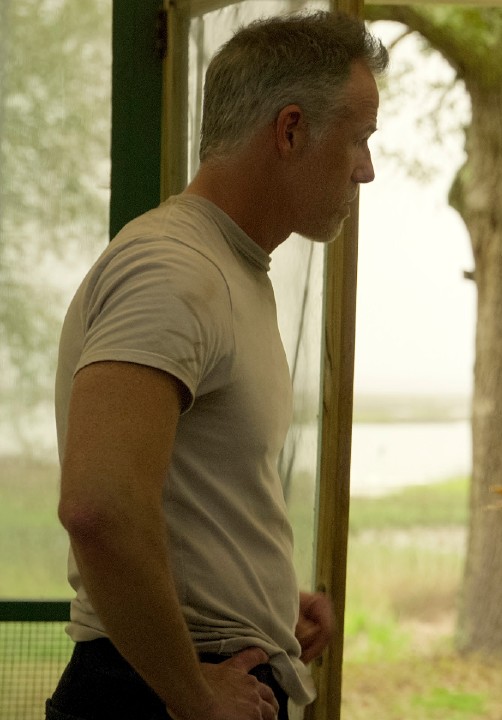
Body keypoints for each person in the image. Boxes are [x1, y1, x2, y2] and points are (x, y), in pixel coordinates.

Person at [47, 11, 387, 720]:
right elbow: (98, 508)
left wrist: (254, 594)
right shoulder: (172, 270)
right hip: (151, 696)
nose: (367, 170)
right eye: (359, 139)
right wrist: (193, 692)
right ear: (290, 130)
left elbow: (178, 500)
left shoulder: (228, 268)